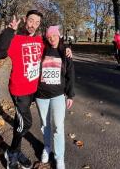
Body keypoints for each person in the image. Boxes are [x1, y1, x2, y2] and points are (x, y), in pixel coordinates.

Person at [0, 10, 72, 169]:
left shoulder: (40, 41)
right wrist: (9, 30)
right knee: (25, 123)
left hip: (34, 91)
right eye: (31, 20)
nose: (33, 24)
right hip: (19, 91)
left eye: (37, 22)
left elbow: (55, 43)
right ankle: (12, 153)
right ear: (25, 20)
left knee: (20, 122)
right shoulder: (15, 39)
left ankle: (17, 150)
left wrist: (67, 49)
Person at [35, 26, 75, 169]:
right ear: (46, 37)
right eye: (49, 36)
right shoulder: (41, 49)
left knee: (58, 126)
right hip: (41, 95)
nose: (52, 38)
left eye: (54, 35)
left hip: (58, 95)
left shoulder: (65, 52)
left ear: (59, 36)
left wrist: (70, 94)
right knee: (45, 125)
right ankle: (46, 148)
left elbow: (70, 75)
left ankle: (59, 158)